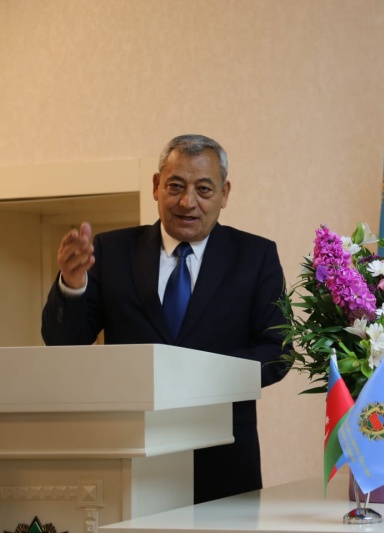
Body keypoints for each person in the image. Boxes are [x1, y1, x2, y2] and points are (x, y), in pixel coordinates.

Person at [41, 134, 290, 504]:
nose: (187, 202)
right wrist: (72, 285)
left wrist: (199, 374)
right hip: (130, 452)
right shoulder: (112, 251)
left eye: (204, 189)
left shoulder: (256, 256)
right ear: (156, 186)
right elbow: (63, 344)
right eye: (175, 186)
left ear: (224, 194)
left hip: (223, 454)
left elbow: (278, 352)